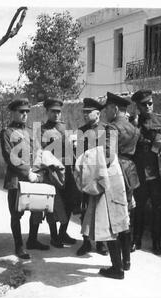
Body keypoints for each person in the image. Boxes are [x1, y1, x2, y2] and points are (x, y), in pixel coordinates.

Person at [0, 98, 49, 260]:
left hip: (33, 177)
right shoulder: (6, 132)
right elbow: (10, 156)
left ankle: (33, 240)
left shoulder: (30, 131)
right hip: (16, 178)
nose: (25, 115)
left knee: (36, 210)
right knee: (16, 213)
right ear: (13, 113)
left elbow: (38, 152)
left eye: (27, 112)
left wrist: (40, 170)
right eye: (21, 112)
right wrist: (28, 172)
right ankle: (19, 245)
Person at [131, 90, 161, 255]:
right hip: (141, 172)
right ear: (138, 106)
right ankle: (136, 240)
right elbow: (130, 145)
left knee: (158, 208)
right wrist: (135, 125)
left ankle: (156, 242)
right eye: (144, 104)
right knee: (139, 207)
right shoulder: (134, 122)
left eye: (150, 102)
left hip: (158, 172)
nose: (148, 106)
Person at [103, 92, 140, 271]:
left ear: (115, 109)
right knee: (125, 219)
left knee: (112, 220)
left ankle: (116, 268)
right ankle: (126, 262)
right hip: (131, 172)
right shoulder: (134, 128)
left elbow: (108, 157)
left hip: (116, 173)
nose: (105, 113)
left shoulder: (111, 128)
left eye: (107, 109)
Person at [38, 98, 76, 248]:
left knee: (71, 202)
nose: (56, 114)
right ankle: (54, 236)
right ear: (47, 112)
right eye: (53, 111)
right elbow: (41, 152)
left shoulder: (65, 128)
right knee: (52, 204)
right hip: (52, 171)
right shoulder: (42, 130)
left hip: (68, 171)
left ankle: (62, 233)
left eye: (58, 112)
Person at [75, 98, 109, 257]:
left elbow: (110, 155)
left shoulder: (107, 130)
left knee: (101, 210)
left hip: (101, 176)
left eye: (88, 112)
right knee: (85, 209)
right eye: (84, 112)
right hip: (86, 176)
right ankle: (86, 241)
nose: (85, 115)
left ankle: (101, 243)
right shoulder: (80, 131)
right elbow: (75, 156)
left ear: (98, 113)